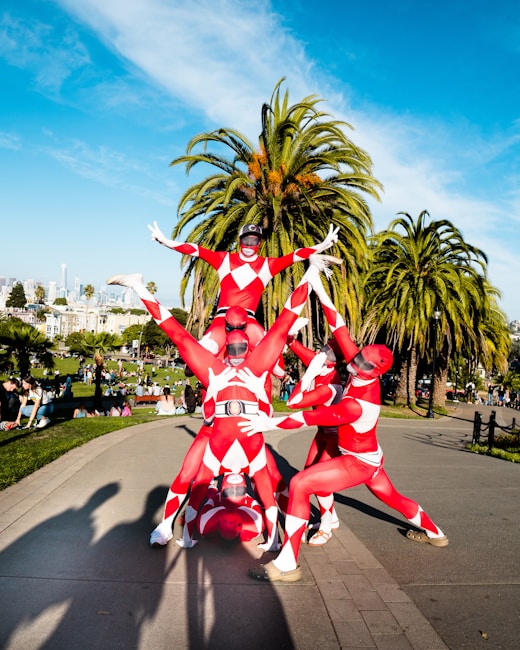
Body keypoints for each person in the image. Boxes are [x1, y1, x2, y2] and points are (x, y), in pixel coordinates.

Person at [241, 268, 448, 583]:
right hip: (371, 457)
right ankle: (436, 534)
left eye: (363, 365)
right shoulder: (358, 365)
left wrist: (267, 423)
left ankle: (287, 564)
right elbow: (337, 323)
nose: (355, 364)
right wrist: (319, 284)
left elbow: (310, 417)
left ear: (376, 373)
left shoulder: (357, 404)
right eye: (358, 357)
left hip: (358, 461)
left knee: (300, 484)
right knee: (393, 499)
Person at [107, 267, 319, 551]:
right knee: (188, 476)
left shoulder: (252, 359)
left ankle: (279, 535)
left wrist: (309, 278)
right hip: (215, 429)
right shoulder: (221, 358)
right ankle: (167, 526)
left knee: (272, 480)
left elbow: (279, 339)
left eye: (237, 331)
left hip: (245, 429)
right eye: (229, 329)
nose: (233, 337)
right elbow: (178, 335)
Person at [148, 220, 338, 358]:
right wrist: (168, 242)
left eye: (254, 241)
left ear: (260, 243)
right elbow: (197, 250)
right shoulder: (224, 260)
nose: (249, 245)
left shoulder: (266, 266)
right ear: (240, 240)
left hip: (250, 322)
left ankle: (286, 336)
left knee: (275, 361)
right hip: (222, 320)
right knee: (199, 357)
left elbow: (294, 256)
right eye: (246, 240)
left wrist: (320, 246)